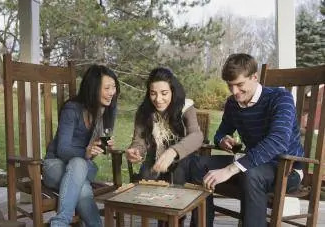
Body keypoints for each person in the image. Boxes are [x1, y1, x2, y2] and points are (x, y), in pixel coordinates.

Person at [190, 53, 304, 227]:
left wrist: (230, 169)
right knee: (197, 165)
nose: (234, 92)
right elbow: (220, 133)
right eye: (230, 86)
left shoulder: (281, 98)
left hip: (286, 168)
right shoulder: (232, 104)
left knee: (251, 174)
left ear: (254, 77)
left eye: (239, 85)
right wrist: (223, 140)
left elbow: (278, 141)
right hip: (251, 163)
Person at [42, 64, 120, 227]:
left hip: (84, 167)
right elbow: (62, 150)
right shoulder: (72, 109)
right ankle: (62, 222)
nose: (112, 92)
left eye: (113, 87)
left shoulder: (107, 110)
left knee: (79, 165)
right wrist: (86, 152)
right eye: (107, 88)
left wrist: (105, 145)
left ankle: (59, 223)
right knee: (83, 187)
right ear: (93, 88)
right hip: (55, 165)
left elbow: (97, 145)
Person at [125, 67, 203, 226]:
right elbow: (139, 141)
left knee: (179, 174)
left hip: (183, 158)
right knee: (148, 176)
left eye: (164, 93)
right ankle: (166, 220)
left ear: (173, 91)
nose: (158, 99)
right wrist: (135, 151)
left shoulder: (186, 107)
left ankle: (176, 220)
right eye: (153, 93)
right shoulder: (144, 112)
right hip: (155, 159)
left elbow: (197, 135)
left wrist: (173, 152)